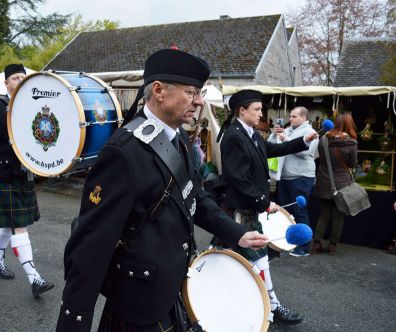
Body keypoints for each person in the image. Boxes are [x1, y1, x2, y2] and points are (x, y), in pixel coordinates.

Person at [56, 49, 268, 332]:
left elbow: (195, 197)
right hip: (138, 302)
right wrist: (74, 321)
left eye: (200, 92)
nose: (199, 101)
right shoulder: (124, 152)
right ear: (158, 91)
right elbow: (92, 244)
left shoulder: (177, 137)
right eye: (192, 92)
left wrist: (237, 234)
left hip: (173, 288)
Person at [215, 90, 318, 325]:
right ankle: (270, 306)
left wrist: (303, 141)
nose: (261, 113)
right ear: (241, 110)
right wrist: (263, 201)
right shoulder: (234, 136)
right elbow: (236, 178)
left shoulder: (251, 134)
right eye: (257, 109)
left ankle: (247, 303)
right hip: (242, 208)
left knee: (237, 258)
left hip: (250, 208)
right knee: (252, 258)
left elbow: (272, 151)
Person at [0, 64, 54, 297]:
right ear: (6, 83)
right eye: (15, 77)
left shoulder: (32, 107)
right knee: (19, 226)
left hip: (23, 175)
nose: (20, 80)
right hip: (1, 178)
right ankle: (34, 278)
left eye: (23, 77)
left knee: (7, 224)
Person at [268, 106, 319, 257]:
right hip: (284, 177)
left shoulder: (310, 132)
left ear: (304, 117)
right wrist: (275, 134)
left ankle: (304, 247)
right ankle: (287, 243)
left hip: (301, 177)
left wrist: (286, 140)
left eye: (294, 116)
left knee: (299, 211)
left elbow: (307, 152)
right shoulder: (288, 130)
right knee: (286, 212)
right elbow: (273, 147)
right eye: (290, 116)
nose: (290, 119)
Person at [311, 113, 358, 255]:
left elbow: (320, 159)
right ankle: (332, 246)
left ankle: (316, 244)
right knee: (339, 216)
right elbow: (353, 164)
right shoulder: (351, 143)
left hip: (324, 180)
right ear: (350, 125)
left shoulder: (324, 139)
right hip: (342, 183)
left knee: (324, 214)